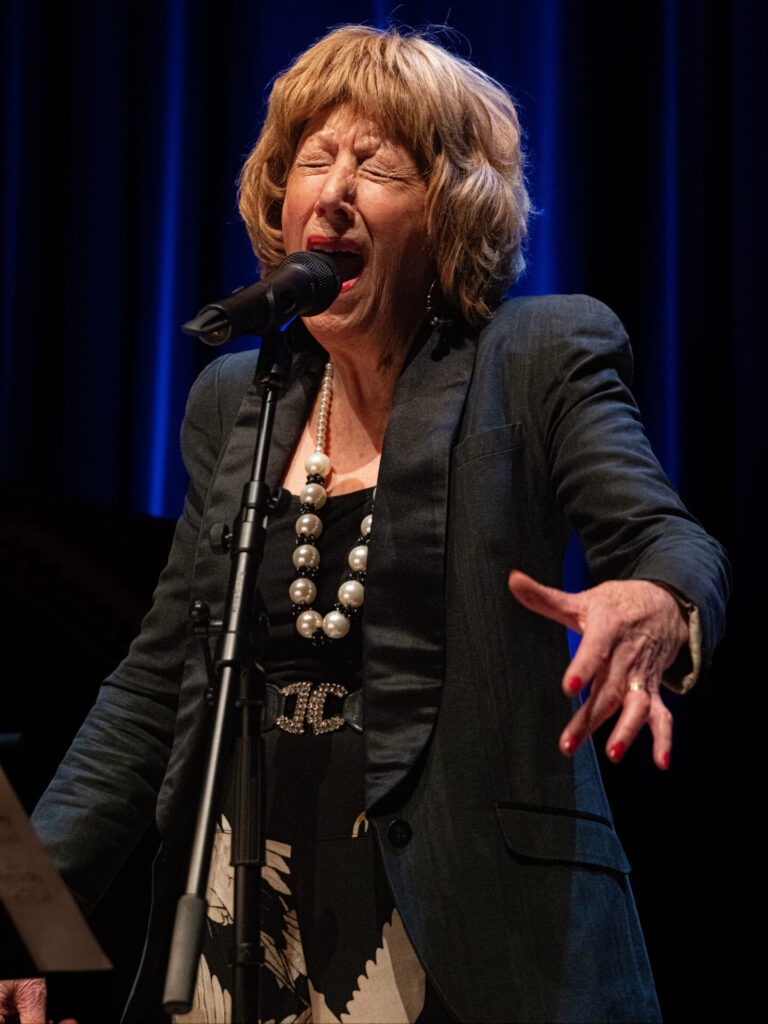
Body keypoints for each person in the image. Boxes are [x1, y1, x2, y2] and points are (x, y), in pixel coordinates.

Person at [1, 24, 728, 1024]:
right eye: (313, 161)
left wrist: (654, 600)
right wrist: (26, 918)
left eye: (378, 168)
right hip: (246, 935)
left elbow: (667, 539)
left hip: (472, 943)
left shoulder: (535, 357)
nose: (334, 191)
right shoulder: (237, 399)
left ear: (449, 211)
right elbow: (158, 682)